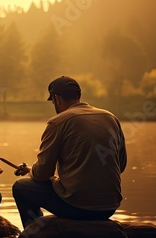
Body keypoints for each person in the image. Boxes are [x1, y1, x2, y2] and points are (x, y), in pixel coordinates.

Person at [12, 76, 127, 228]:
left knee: (21, 187)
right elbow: (122, 165)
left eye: (53, 102)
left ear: (56, 99)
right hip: (110, 206)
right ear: (78, 95)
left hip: (78, 208)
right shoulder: (110, 118)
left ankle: (34, 236)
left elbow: (41, 174)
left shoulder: (57, 122)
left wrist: (33, 172)